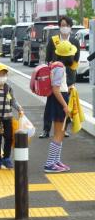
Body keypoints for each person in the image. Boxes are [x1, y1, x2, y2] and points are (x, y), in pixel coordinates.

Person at [40, 16, 80, 139]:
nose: (64, 27)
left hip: (68, 76)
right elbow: (48, 58)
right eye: (62, 25)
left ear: (70, 27)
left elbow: (76, 59)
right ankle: (46, 129)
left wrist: (71, 78)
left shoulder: (74, 41)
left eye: (67, 25)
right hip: (55, 75)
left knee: (67, 103)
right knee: (50, 104)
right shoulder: (54, 40)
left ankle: (64, 128)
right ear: (59, 26)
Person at [43, 41, 77, 172]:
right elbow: (56, 89)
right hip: (59, 102)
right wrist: (65, 106)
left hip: (57, 100)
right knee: (58, 133)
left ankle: (56, 161)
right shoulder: (60, 68)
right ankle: (50, 163)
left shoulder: (55, 65)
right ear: (68, 56)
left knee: (61, 133)